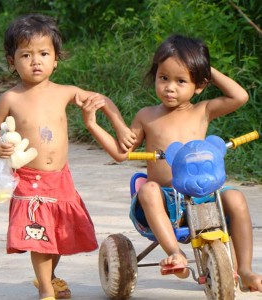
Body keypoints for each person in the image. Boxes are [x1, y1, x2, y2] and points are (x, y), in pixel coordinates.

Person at [80, 34, 262, 292]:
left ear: (198, 85)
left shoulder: (203, 110)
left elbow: (240, 97)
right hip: (165, 202)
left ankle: (244, 270)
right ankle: (175, 253)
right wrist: (92, 124)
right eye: (163, 78)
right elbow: (121, 153)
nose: (169, 87)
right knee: (148, 189)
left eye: (181, 80)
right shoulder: (147, 116)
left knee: (236, 198)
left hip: (204, 195)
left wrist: (205, 68)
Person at [0, 14, 136, 300]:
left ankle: (49, 278)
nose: (35, 61)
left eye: (43, 53)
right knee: (38, 236)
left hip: (60, 179)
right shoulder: (11, 99)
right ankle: (45, 291)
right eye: (26, 55)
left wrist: (121, 126)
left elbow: (101, 100)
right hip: (29, 180)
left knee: (57, 236)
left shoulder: (65, 92)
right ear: (11, 61)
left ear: (55, 59)